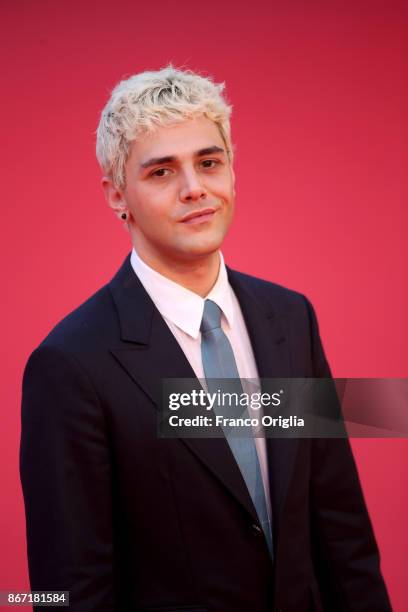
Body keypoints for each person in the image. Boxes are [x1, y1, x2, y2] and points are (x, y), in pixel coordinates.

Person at [20, 65, 392, 612]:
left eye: (209, 162)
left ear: (232, 172)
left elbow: (340, 526)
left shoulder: (290, 319)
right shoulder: (69, 364)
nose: (195, 189)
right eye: (162, 172)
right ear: (116, 194)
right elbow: (68, 591)